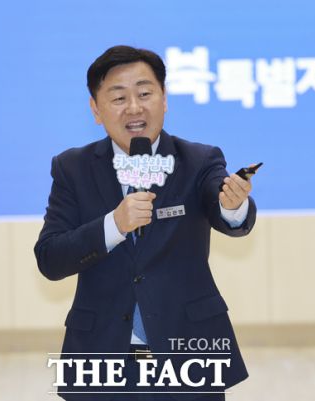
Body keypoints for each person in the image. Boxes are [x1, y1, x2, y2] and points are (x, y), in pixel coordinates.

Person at [34, 45, 257, 401]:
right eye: (118, 98)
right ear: (96, 109)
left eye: (144, 93)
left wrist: (232, 205)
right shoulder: (72, 168)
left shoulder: (198, 160)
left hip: (188, 352)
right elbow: (50, 258)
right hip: (101, 356)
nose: (134, 108)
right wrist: (114, 225)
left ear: (164, 99)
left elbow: (221, 205)